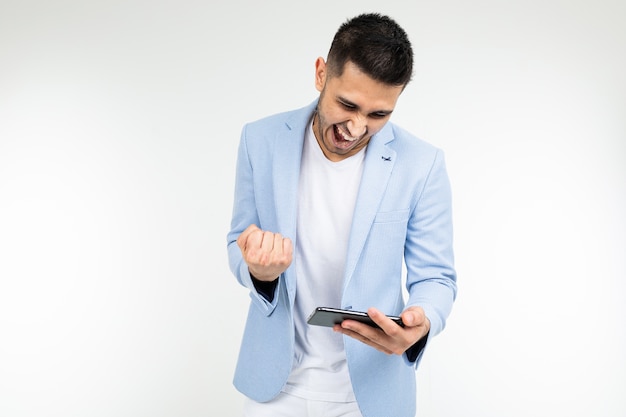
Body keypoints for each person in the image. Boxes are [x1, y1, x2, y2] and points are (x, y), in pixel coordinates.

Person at [226, 13, 457, 417]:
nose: (356, 126)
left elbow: (436, 277)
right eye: (347, 104)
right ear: (321, 74)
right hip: (275, 387)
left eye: (378, 115)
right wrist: (260, 273)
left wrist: (423, 321)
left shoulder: (422, 164)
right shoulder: (259, 140)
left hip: (369, 393)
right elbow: (238, 241)